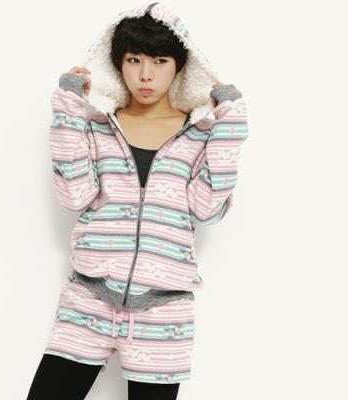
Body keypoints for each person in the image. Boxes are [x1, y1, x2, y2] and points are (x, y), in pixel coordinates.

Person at [27, 2, 249, 399]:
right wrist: (68, 109)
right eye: (134, 60)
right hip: (88, 300)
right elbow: (75, 197)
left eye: (160, 61)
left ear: (179, 67)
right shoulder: (97, 126)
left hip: (164, 314)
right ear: (118, 63)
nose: (146, 75)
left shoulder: (199, 134)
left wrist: (230, 124)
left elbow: (206, 210)